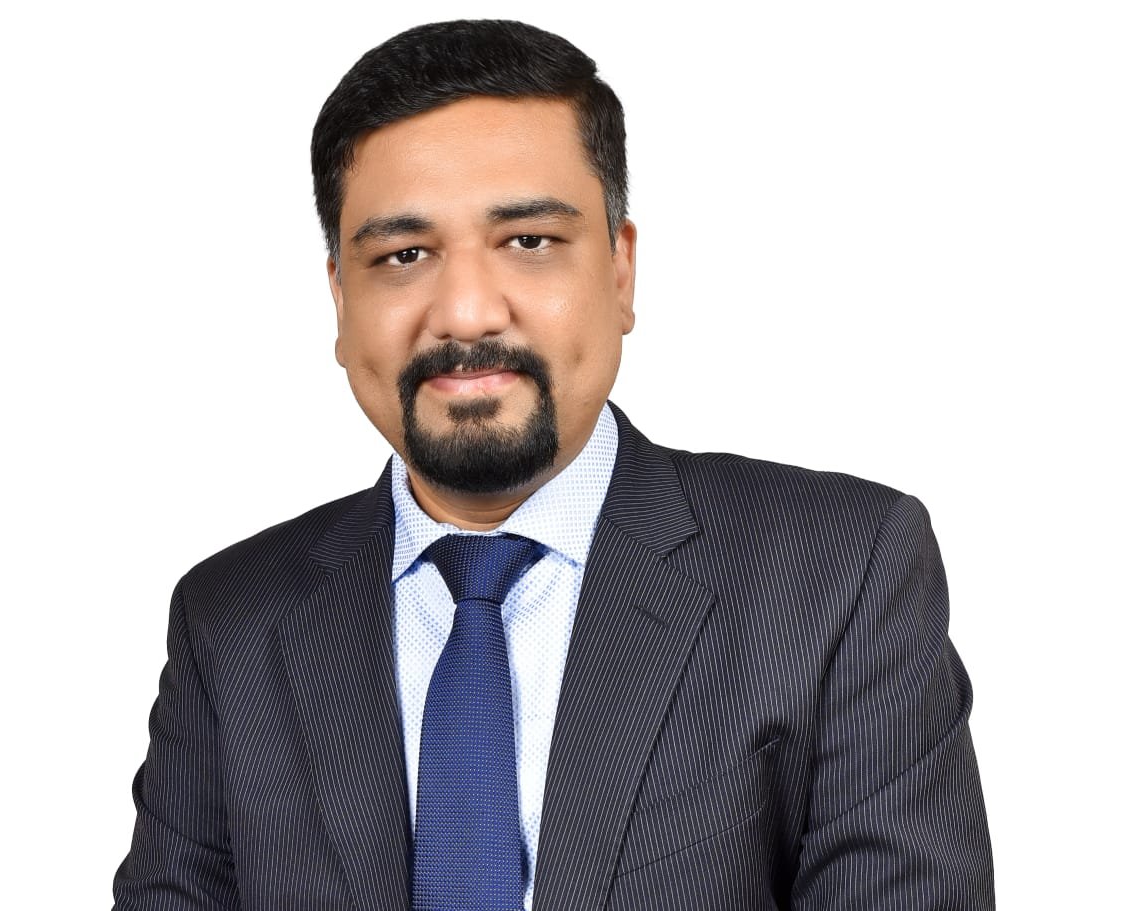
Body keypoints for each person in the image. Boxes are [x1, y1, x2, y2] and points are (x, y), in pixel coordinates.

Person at [112, 19, 994, 910]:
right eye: (404, 256)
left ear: (620, 270)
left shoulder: (840, 574)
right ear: (340, 298)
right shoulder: (229, 623)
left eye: (529, 241)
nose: (465, 312)